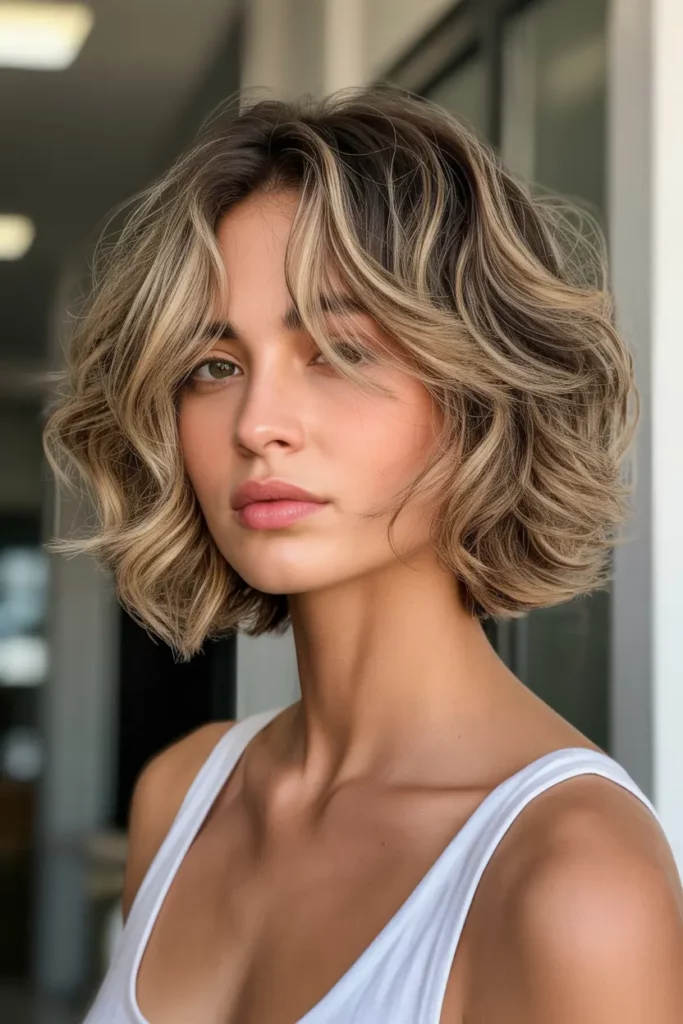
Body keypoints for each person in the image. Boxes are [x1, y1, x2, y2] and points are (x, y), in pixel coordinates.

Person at [43, 87, 683, 1023]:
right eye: (214, 366)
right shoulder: (180, 796)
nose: (258, 425)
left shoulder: (570, 879)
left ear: (481, 394)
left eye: (339, 351)